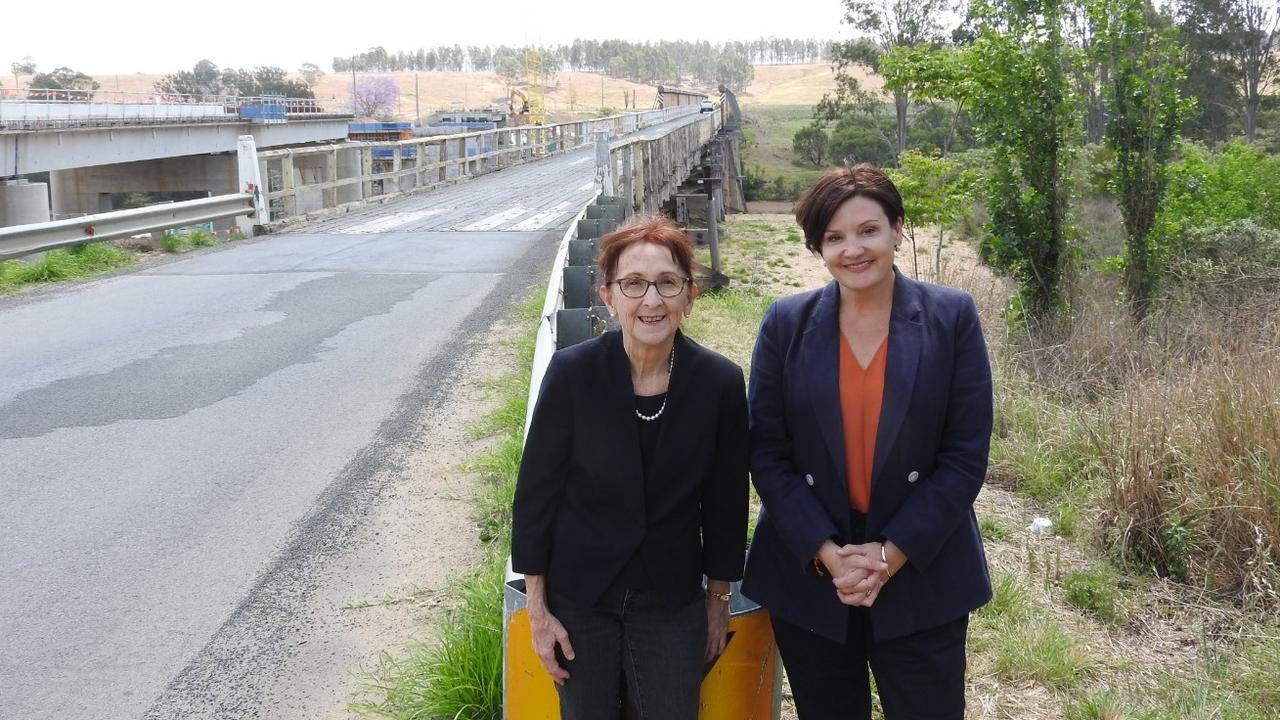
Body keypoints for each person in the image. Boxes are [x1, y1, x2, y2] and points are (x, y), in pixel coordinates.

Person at [741, 164, 994, 719]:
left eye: (868, 230)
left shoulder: (951, 317)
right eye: (834, 237)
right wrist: (830, 555)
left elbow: (964, 455)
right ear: (818, 248)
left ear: (898, 228)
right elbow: (767, 451)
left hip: (921, 567)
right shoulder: (786, 321)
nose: (853, 249)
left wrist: (888, 556)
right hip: (812, 574)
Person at [511, 216, 749, 720]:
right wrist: (537, 608)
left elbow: (726, 501)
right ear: (607, 296)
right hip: (579, 599)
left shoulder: (719, 383)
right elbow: (536, 494)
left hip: (672, 602)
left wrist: (718, 600)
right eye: (633, 284)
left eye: (667, 283)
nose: (652, 300)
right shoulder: (574, 373)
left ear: (690, 295)